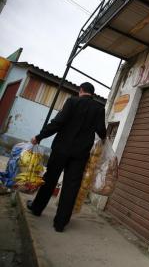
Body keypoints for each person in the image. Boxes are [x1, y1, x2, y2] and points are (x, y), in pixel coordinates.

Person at [27, 82, 106, 232]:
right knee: (71, 186)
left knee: (50, 178)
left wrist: (39, 137)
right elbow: (101, 131)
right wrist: (104, 139)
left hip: (61, 149)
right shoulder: (99, 108)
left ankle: (37, 208)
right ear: (92, 93)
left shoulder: (72, 101)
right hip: (80, 154)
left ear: (81, 91)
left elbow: (58, 123)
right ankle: (60, 223)